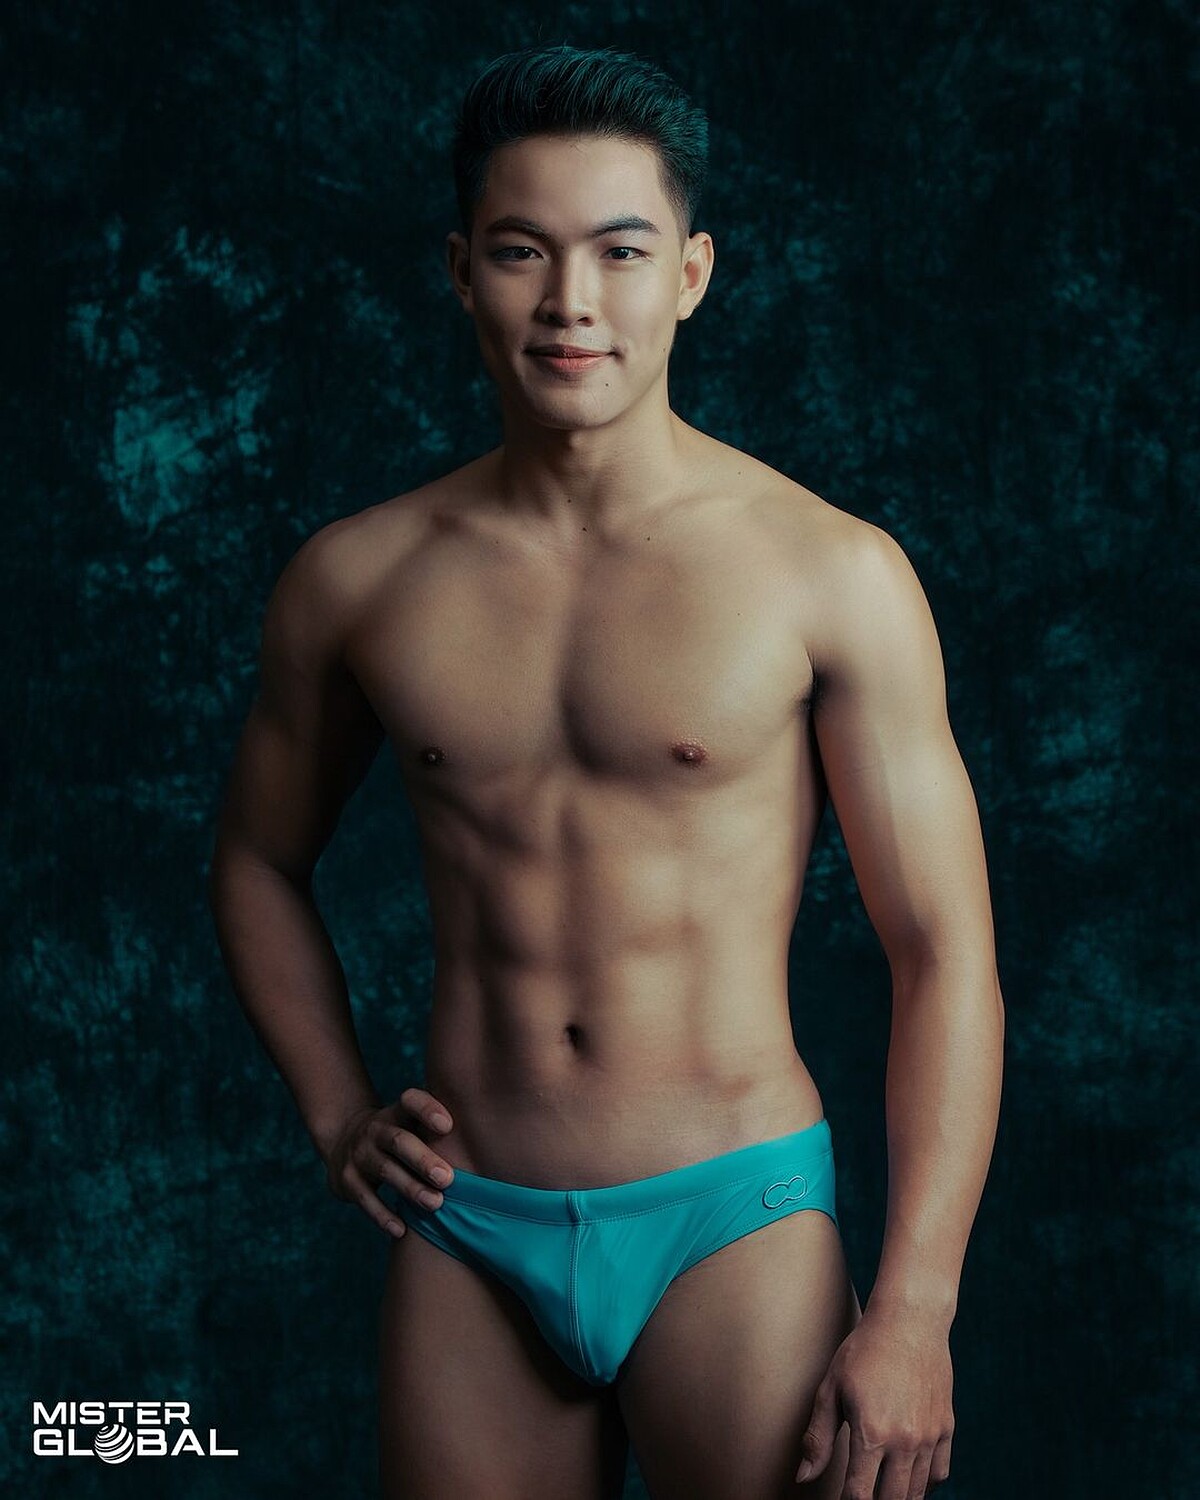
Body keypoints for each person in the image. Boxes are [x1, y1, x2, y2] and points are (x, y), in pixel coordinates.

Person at [207, 42, 1004, 1500]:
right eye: (523, 250)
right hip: (471, 1220)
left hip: (732, 1215)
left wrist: (916, 1310)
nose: (571, 301)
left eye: (620, 251)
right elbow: (258, 860)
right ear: (462, 271)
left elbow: (942, 949)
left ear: (690, 274)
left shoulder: (827, 572)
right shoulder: (359, 581)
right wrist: (336, 1113)